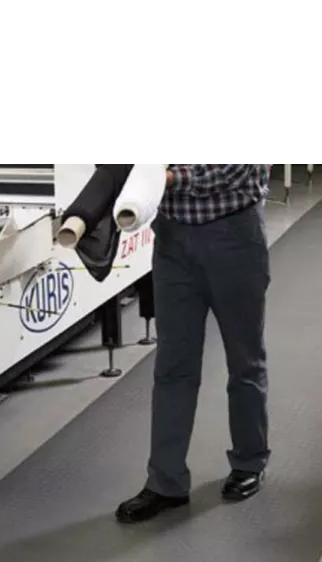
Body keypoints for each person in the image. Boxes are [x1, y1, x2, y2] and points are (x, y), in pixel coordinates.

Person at [117, 162, 272, 525]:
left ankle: (250, 460)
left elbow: (239, 167)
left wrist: (167, 178)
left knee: (244, 357)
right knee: (173, 365)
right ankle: (166, 481)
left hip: (234, 234)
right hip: (172, 240)